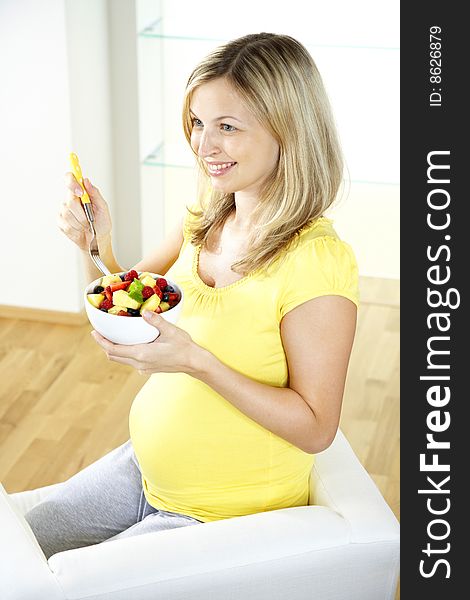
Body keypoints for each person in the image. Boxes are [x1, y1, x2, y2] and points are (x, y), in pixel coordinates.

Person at [25, 32, 359, 559]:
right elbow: (131, 298)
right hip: (143, 470)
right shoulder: (204, 221)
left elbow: (316, 427)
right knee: (14, 554)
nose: (204, 146)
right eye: (199, 123)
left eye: (228, 126)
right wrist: (99, 246)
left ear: (288, 132)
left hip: (222, 510)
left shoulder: (316, 263)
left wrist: (196, 361)